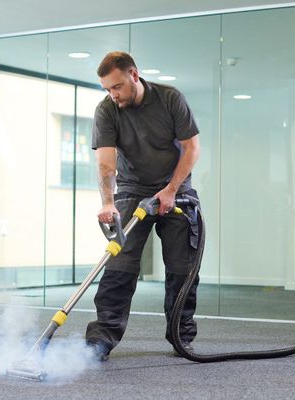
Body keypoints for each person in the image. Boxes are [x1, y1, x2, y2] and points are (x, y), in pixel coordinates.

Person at [85, 51, 202, 361]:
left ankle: (181, 336)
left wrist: (171, 189)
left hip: (177, 189)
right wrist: (108, 203)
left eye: (118, 86)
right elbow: (106, 162)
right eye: (107, 89)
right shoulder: (107, 110)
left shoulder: (169, 99)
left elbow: (192, 148)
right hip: (133, 189)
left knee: (182, 268)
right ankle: (101, 338)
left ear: (134, 75)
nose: (113, 94)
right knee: (119, 265)